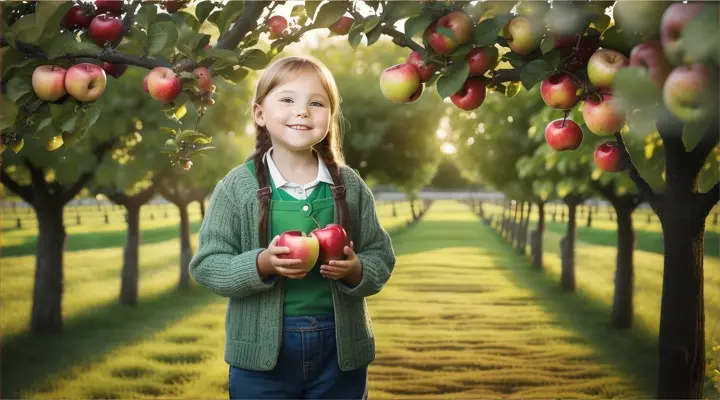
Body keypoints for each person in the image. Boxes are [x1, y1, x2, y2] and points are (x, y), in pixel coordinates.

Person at [189, 55, 396, 400]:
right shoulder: (236, 187)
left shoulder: (349, 186)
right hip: (261, 359)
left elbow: (381, 255)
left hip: (340, 354)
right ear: (259, 113)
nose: (302, 111)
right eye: (287, 100)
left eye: (316, 103)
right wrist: (261, 264)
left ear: (330, 117)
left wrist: (357, 270)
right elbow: (208, 265)